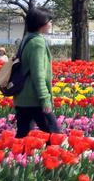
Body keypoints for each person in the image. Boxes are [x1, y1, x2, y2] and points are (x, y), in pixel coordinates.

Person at [14, 7, 60, 137]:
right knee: (54, 137)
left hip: (22, 99)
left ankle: (14, 157)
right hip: (35, 100)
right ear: (41, 23)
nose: (51, 23)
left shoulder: (27, 39)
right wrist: (45, 99)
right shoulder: (37, 42)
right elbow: (38, 74)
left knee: (22, 138)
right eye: (49, 20)